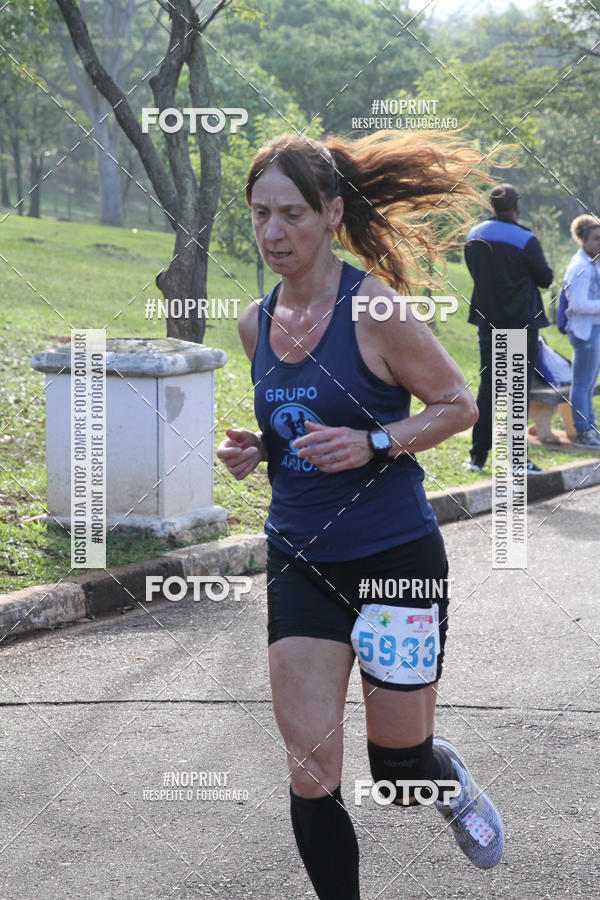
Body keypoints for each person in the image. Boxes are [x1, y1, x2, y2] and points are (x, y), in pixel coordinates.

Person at [217, 131, 504, 900]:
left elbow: (457, 404)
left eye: (292, 215)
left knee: (398, 771)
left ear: (332, 213)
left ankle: (447, 785)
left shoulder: (372, 305)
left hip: (395, 563)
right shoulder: (255, 322)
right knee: (311, 767)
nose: (273, 233)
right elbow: (298, 432)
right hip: (301, 560)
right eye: (260, 215)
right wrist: (261, 448)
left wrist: (376, 439)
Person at [464, 183, 553, 475]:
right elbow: (545, 278)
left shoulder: (474, 235)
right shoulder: (526, 239)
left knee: (488, 387)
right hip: (521, 323)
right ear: (517, 206)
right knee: (517, 391)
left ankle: (476, 458)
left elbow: (474, 271)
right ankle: (517, 461)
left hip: (487, 322)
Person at [562, 215, 600, 447]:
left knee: (588, 383)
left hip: (593, 328)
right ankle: (583, 431)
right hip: (584, 332)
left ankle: (591, 427)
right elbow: (577, 304)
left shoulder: (592, 263)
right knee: (582, 383)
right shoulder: (580, 267)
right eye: (596, 239)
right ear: (583, 240)